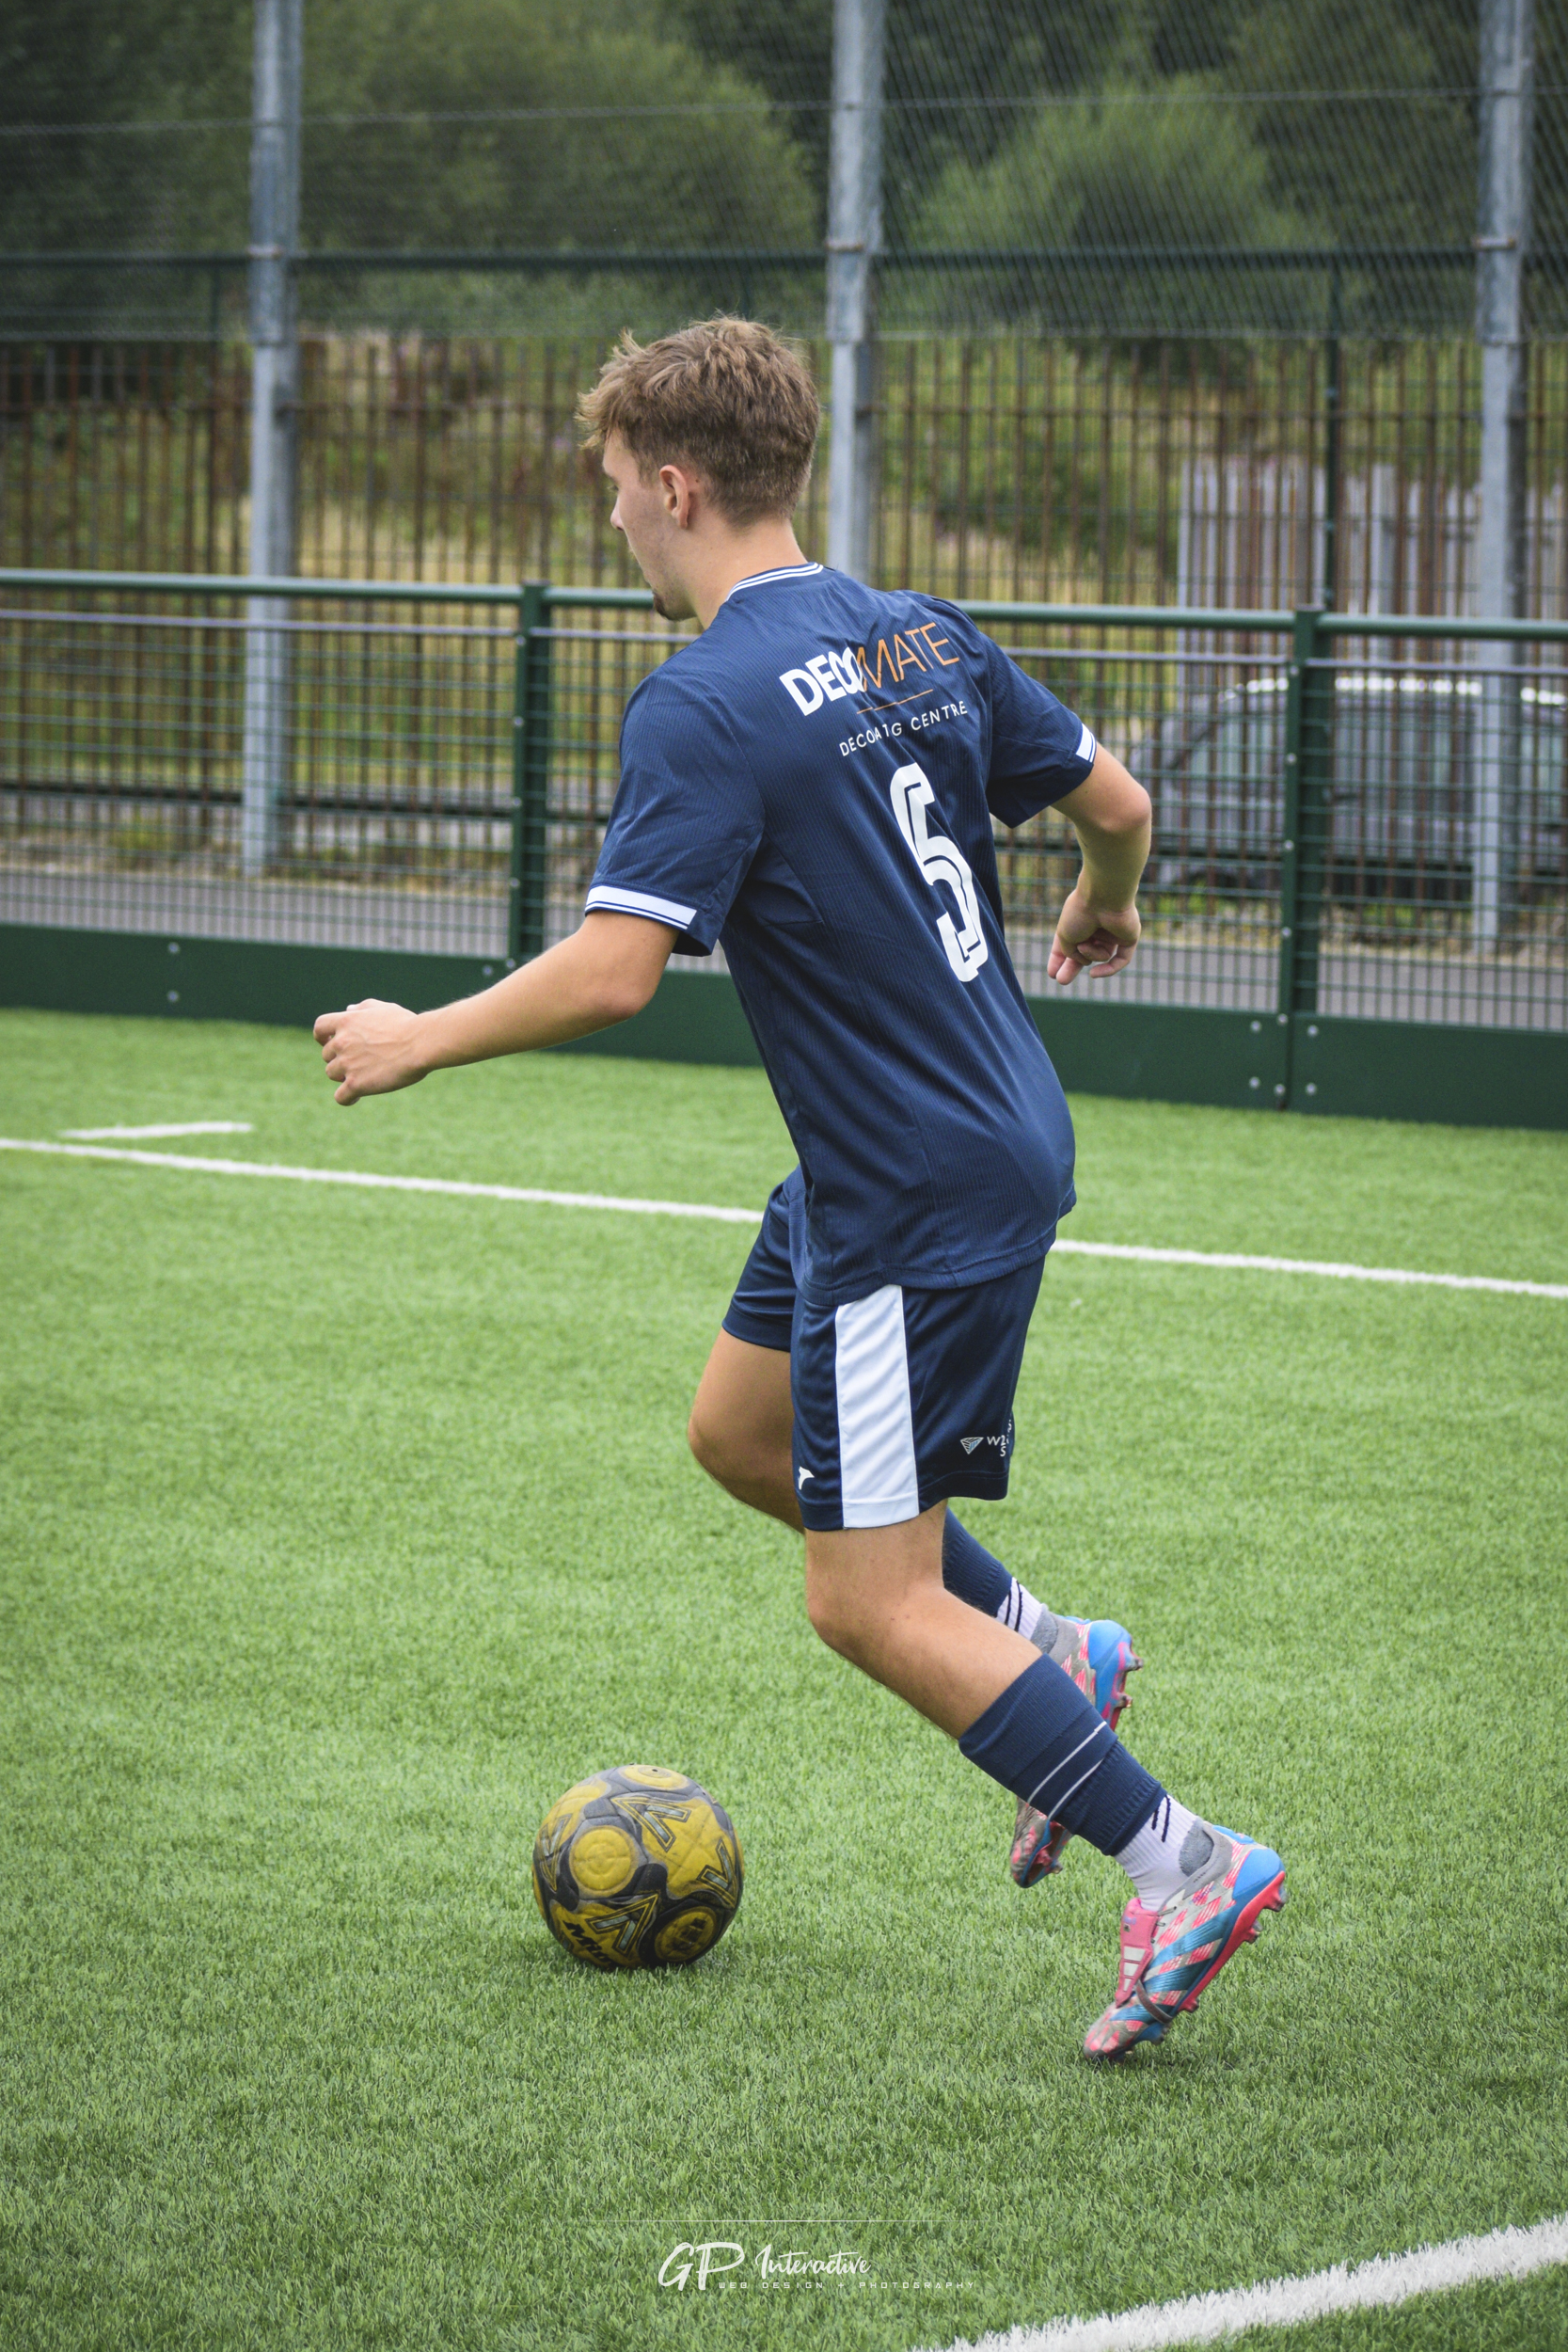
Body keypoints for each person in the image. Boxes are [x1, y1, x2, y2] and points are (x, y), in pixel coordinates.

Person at [313, 317, 1285, 2059]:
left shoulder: (700, 701)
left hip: (914, 1184)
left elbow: (619, 972)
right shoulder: (912, 626)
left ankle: (1182, 1856)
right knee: (740, 1435)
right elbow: (1119, 802)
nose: (611, 517)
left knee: (863, 1599)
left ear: (674, 482)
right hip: (933, 1147)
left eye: (614, 486)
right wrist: (1101, 896)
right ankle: (1057, 1643)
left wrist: (417, 1037)